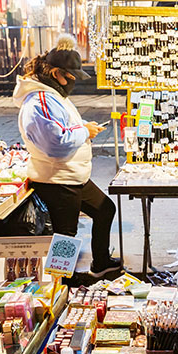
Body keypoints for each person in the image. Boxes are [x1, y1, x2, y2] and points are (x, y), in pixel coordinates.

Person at [13, 35, 122, 277]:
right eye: (69, 76)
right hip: (57, 180)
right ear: (54, 73)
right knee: (65, 235)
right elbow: (55, 144)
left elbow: (64, 125)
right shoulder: (39, 100)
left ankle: (101, 262)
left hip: (72, 176)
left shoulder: (52, 95)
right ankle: (60, 284)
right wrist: (84, 131)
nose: (72, 81)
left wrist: (84, 126)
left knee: (105, 209)